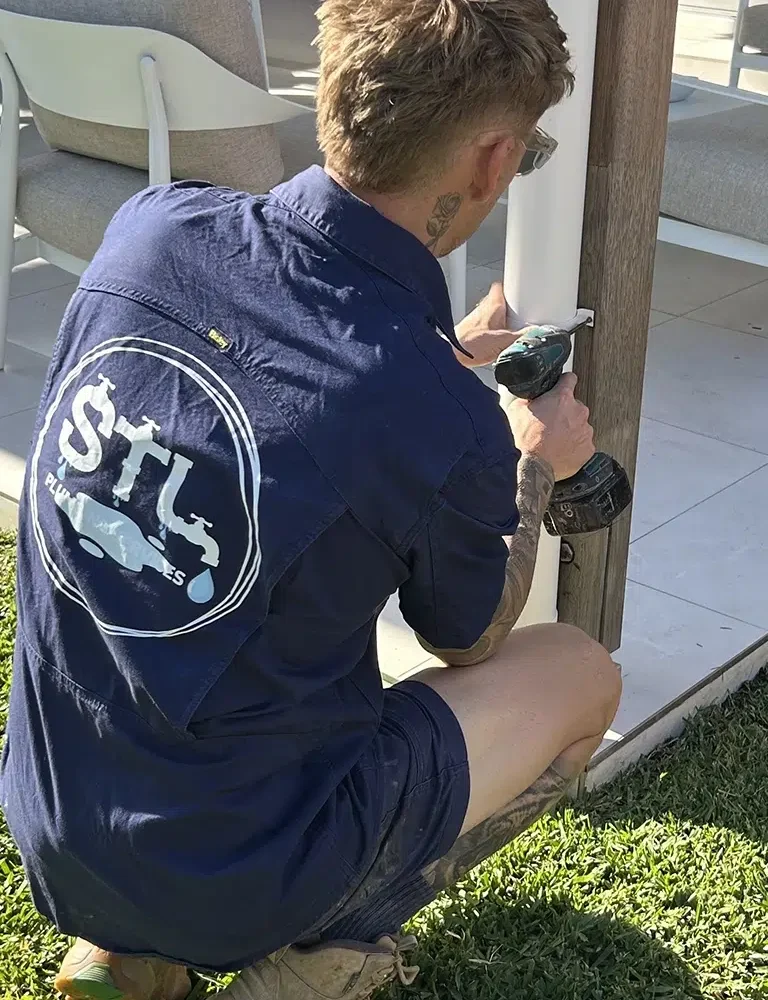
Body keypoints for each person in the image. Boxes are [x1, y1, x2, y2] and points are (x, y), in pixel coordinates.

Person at [0, 1, 621, 998]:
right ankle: (308, 957)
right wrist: (532, 461)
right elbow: (469, 639)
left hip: (55, 822)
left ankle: (125, 946)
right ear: (493, 159)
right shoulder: (430, 413)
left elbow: (282, 381)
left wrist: (435, 365)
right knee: (578, 674)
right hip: (240, 872)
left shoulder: (148, 235)